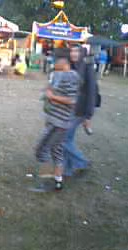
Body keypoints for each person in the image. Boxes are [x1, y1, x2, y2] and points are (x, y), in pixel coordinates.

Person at [35, 53, 79, 191]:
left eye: (57, 63)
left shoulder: (71, 77)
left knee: (43, 149)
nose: (54, 66)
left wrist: (52, 97)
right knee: (56, 150)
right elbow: (48, 91)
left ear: (64, 63)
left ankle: (47, 179)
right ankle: (58, 181)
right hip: (53, 119)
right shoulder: (58, 75)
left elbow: (72, 100)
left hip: (60, 123)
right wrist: (48, 90)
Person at [63, 45, 97, 178]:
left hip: (80, 110)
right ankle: (68, 170)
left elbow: (92, 92)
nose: (74, 54)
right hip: (69, 107)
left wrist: (88, 116)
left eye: (76, 51)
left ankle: (82, 162)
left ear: (82, 53)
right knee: (68, 138)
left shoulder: (88, 68)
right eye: (72, 51)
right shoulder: (70, 66)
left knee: (63, 139)